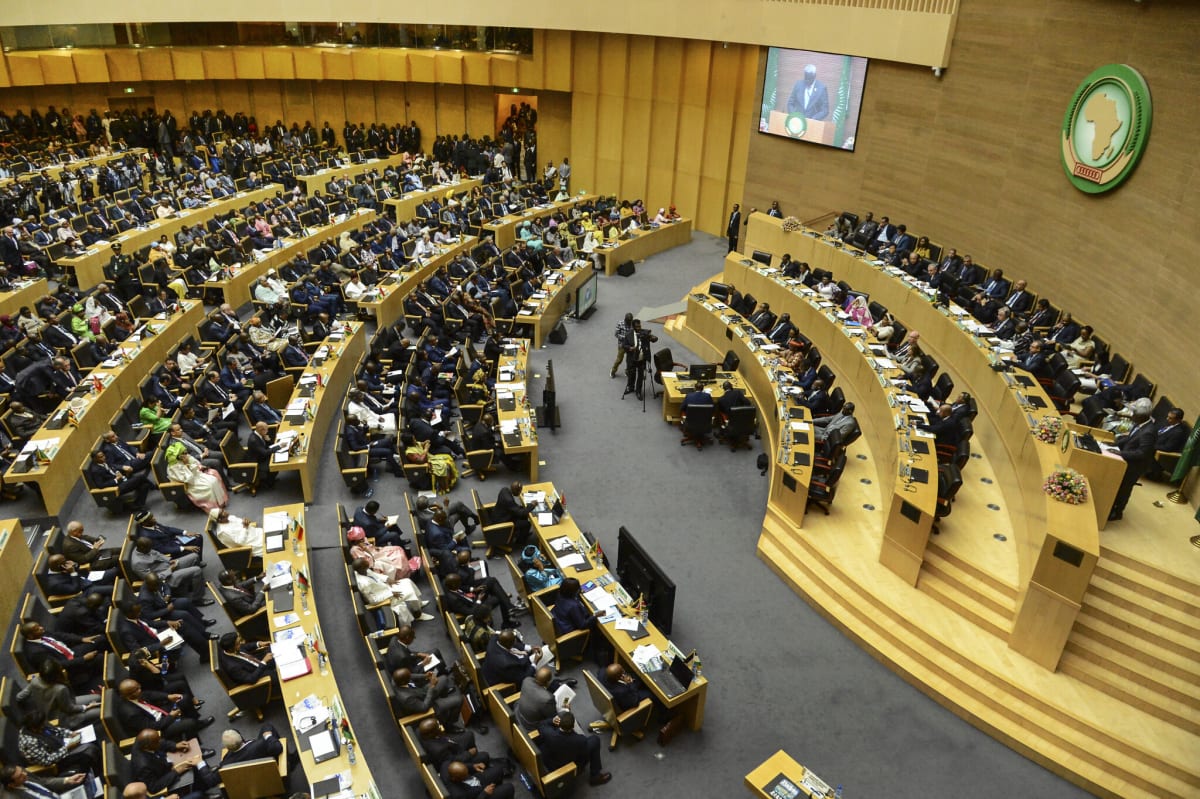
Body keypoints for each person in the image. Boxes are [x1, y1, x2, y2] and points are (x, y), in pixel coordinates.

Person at [1104, 407, 1158, 522]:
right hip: (1126, 460)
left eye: (1134, 415)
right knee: (1118, 485)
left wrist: (1120, 453)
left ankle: (1118, 512)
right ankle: (1111, 506)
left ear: (1142, 417)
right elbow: (1130, 439)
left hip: (1134, 466)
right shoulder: (1139, 424)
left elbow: (1142, 453)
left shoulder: (1148, 432)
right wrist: (1114, 444)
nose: (1132, 416)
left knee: (1124, 488)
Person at [535, 711, 612, 786]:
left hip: (549, 763)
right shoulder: (580, 740)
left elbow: (541, 724)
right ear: (572, 726)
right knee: (595, 740)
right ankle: (595, 776)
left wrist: (552, 721)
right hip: (567, 768)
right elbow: (583, 755)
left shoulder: (549, 733)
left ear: (559, 723)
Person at [18, 707, 102, 774]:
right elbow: (47, 761)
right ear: (34, 728)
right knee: (90, 748)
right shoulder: (29, 743)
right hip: (57, 760)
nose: (45, 724)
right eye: (42, 725)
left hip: (61, 744)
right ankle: (99, 771)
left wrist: (70, 733)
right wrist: (67, 748)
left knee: (91, 737)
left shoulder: (40, 724)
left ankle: (100, 761)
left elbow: (55, 730)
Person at [165, 443, 227, 513]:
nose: (186, 454)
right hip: (189, 484)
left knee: (214, 480)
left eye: (185, 452)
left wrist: (198, 467)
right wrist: (187, 465)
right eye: (183, 453)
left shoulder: (186, 456)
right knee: (208, 486)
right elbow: (189, 480)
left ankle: (220, 502)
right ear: (178, 456)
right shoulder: (175, 467)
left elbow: (196, 463)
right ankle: (213, 508)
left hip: (197, 476)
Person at [392, 667, 461, 728]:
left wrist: (425, 676)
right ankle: (449, 724)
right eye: (408, 676)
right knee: (459, 700)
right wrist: (432, 686)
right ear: (404, 681)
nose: (410, 676)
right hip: (426, 704)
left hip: (421, 693)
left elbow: (411, 676)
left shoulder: (396, 679)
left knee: (444, 678)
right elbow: (424, 708)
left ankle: (443, 696)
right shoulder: (408, 699)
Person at [347, 526, 416, 582]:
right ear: (354, 541)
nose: (363, 540)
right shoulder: (354, 550)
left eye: (363, 538)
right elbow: (364, 562)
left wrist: (376, 548)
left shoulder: (362, 539)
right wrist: (366, 550)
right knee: (398, 557)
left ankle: (407, 569)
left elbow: (369, 544)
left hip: (376, 551)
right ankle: (402, 575)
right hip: (374, 560)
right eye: (360, 540)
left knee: (398, 548)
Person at [440, 759, 515, 799]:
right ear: (456, 779)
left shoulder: (446, 765)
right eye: (465, 775)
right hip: (478, 794)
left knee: (498, 770)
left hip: (477, 780)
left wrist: (473, 766)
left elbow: (462, 765)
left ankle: (498, 789)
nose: (468, 774)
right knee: (509, 787)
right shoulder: (459, 795)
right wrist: (484, 793)